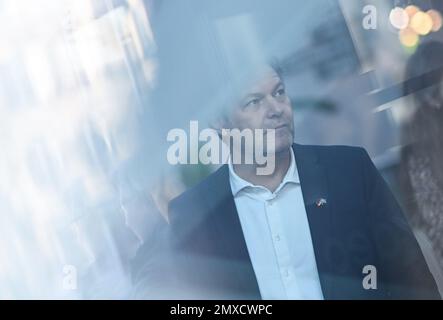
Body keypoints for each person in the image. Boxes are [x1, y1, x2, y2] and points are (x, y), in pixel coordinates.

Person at [135, 63, 440, 300]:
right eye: (253, 102)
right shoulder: (195, 211)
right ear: (220, 123)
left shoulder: (348, 171)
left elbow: (411, 278)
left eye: (279, 92)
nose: (276, 109)